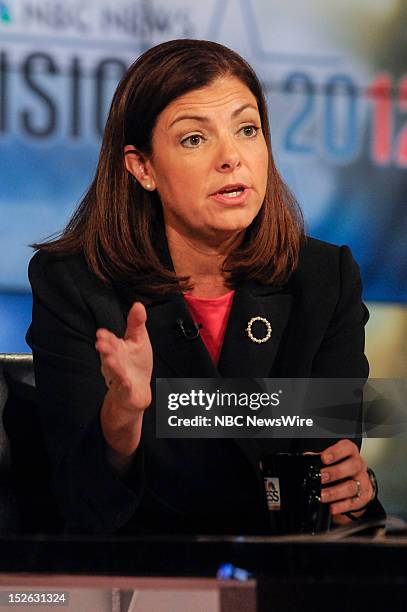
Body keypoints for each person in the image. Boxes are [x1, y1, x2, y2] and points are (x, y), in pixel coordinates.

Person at [26, 39, 384, 534]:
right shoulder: (78, 283)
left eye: (247, 129)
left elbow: (323, 472)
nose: (232, 157)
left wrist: (352, 489)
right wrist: (124, 416)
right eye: (195, 139)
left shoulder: (324, 279)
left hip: (276, 578)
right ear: (142, 168)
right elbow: (82, 502)